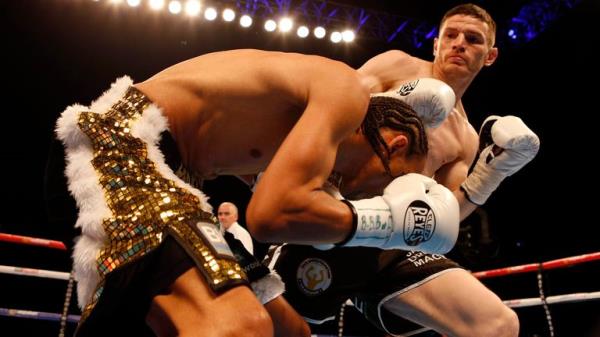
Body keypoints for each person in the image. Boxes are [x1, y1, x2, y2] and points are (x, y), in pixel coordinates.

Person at [54, 48, 460, 336]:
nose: (379, 195)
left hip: (177, 180)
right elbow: (269, 216)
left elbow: (289, 210)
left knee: (290, 330)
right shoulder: (346, 91)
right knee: (240, 325)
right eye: (390, 185)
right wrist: (386, 221)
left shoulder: (304, 142)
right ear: (395, 146)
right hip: (120, 143)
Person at [272, 4, 539, 337]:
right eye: (450, 35)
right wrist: (393, 100)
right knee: (273, 329)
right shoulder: (398, 64)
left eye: (472, 39)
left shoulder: (465, 138)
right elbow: (329, 110)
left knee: (497, 325)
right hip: (330, 216)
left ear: (490, 56)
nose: (459, 43)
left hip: (390, 244)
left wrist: (491, 175)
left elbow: (443, 217)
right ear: (435, 44)